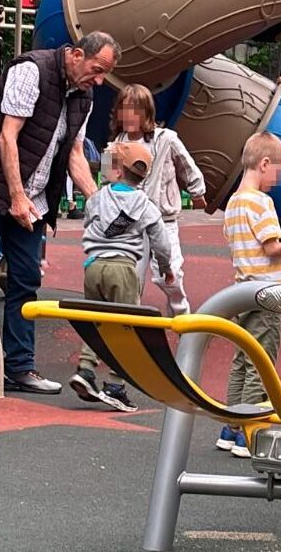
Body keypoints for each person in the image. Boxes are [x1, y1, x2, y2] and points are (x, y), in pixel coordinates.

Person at [0, 32, 120, 395]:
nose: (99, 81)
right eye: (97, 70)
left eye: (104, 74)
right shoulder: (32, 70)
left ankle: (19, 367)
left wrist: (98, 200)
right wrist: (16, 197)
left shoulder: (84, 96)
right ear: (76, 55)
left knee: (25, 277)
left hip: (33, 195)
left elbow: (75, 153)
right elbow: (8, 137)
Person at [215, 132, 281, 459]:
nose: (279, 179)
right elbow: (271, 246)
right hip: (267, 294)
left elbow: (253, 248)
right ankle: (250, 431)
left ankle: (230, 426)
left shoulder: (233, 203)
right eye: (279, 171)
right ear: (264, 163)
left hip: (243, 290)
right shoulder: (261, 202)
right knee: (262, 363)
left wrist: (275, 256)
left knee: (242, 360)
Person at [68, 141, 173, 413]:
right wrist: (166, 267)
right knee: (127, 328)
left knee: (96, 321)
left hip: (93, 267)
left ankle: (86, 368)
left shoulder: (97, 198)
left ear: (116, 170)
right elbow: (161, 242)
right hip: (123, 269)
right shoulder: (144, 204)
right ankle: (115, 385)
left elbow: (90, 221)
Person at [111, 83, 206, 315]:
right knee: (129, 273)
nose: (129, 116)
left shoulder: (166, 139)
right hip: (130, 219)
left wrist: (197, 191)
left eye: (135, 110)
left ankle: (180, 312)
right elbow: (109, 181)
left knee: (170, 273)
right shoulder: (116, 145)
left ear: (147, 113)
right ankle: (130, 318)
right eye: (125, 109)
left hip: (162, 218)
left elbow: (187, 165)